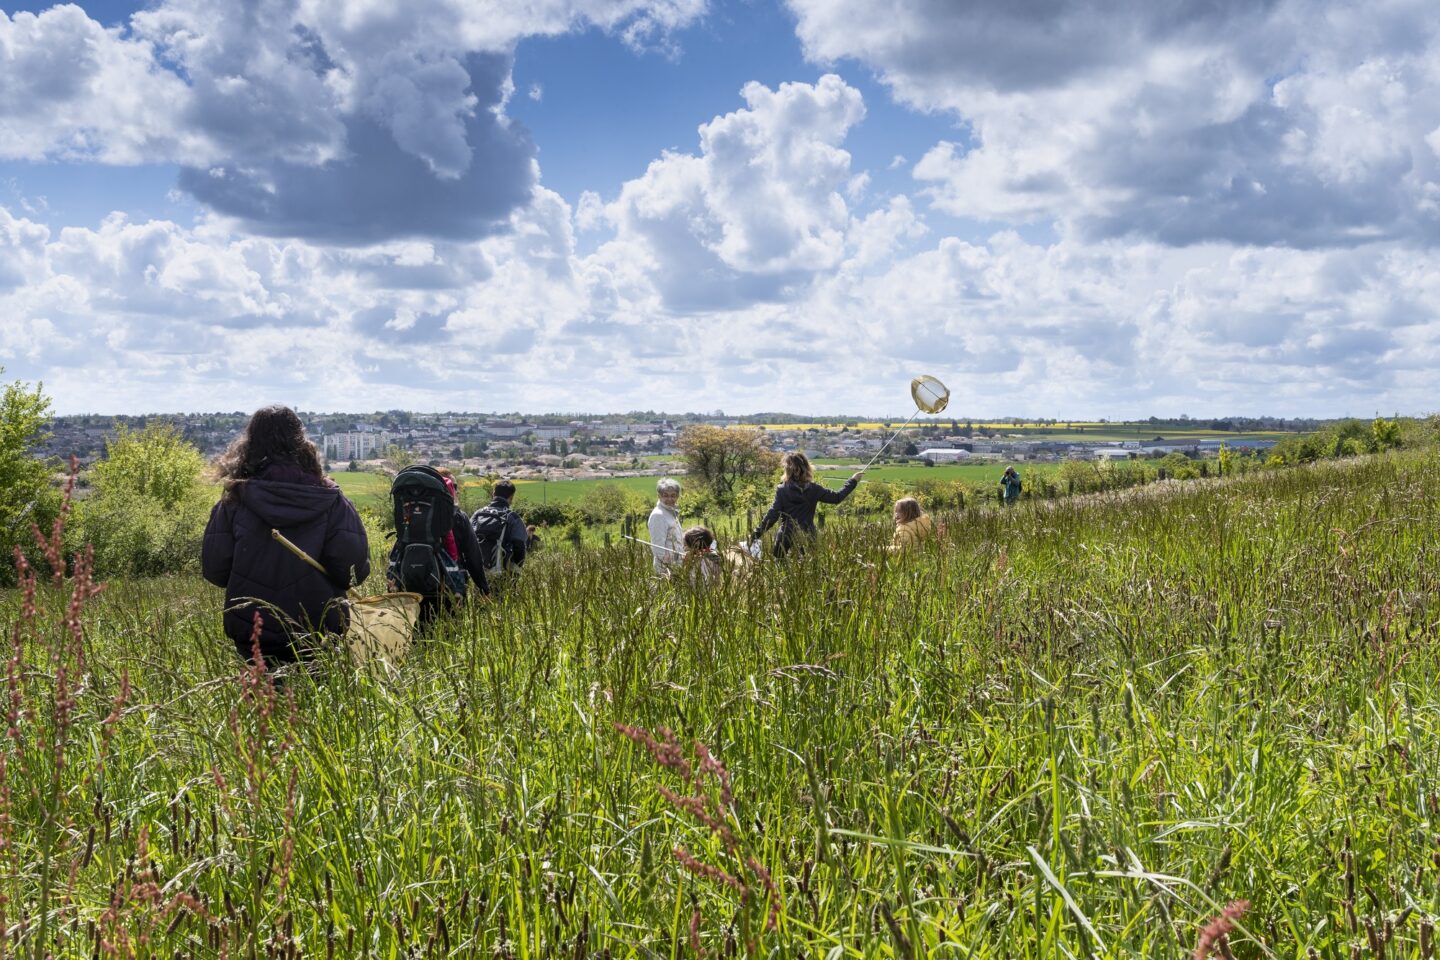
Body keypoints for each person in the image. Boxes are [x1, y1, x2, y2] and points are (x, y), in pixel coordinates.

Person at [202, 405, 370, 668]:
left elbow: (215, 571)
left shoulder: (234, 502)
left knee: (261, 706)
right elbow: (353, 572)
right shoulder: (332, 501)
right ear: (301, 441)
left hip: (254, 633)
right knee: (318, 707)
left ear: (250, 444)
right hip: (319, 631)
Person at [750, 453, 863, 559]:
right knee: (810, 570)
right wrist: (853, 481)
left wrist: (755, 536)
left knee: (779, 569)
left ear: (787, 470)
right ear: (807, 468)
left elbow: (772, 515)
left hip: (785, 537)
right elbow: (837, 498)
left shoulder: (782, 490)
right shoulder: (815, 489)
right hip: (809, 536)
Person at [471, 479, 528, 577]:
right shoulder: (512, 517)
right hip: (503, 572)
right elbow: (520, 546)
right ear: (511, 497)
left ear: (493, 494)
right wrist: (516, 569)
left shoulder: (478, 513)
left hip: (479, 572)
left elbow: (468, 539)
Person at [647, 477, 684, 575]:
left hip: (676, 563)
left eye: (673, 496)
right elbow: (657, 545)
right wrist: (665, 567)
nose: (670, 499)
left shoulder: (670, 511)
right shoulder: (658, 515)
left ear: (677, 496)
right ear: (659, 496)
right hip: (667, 567)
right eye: (665, 495)